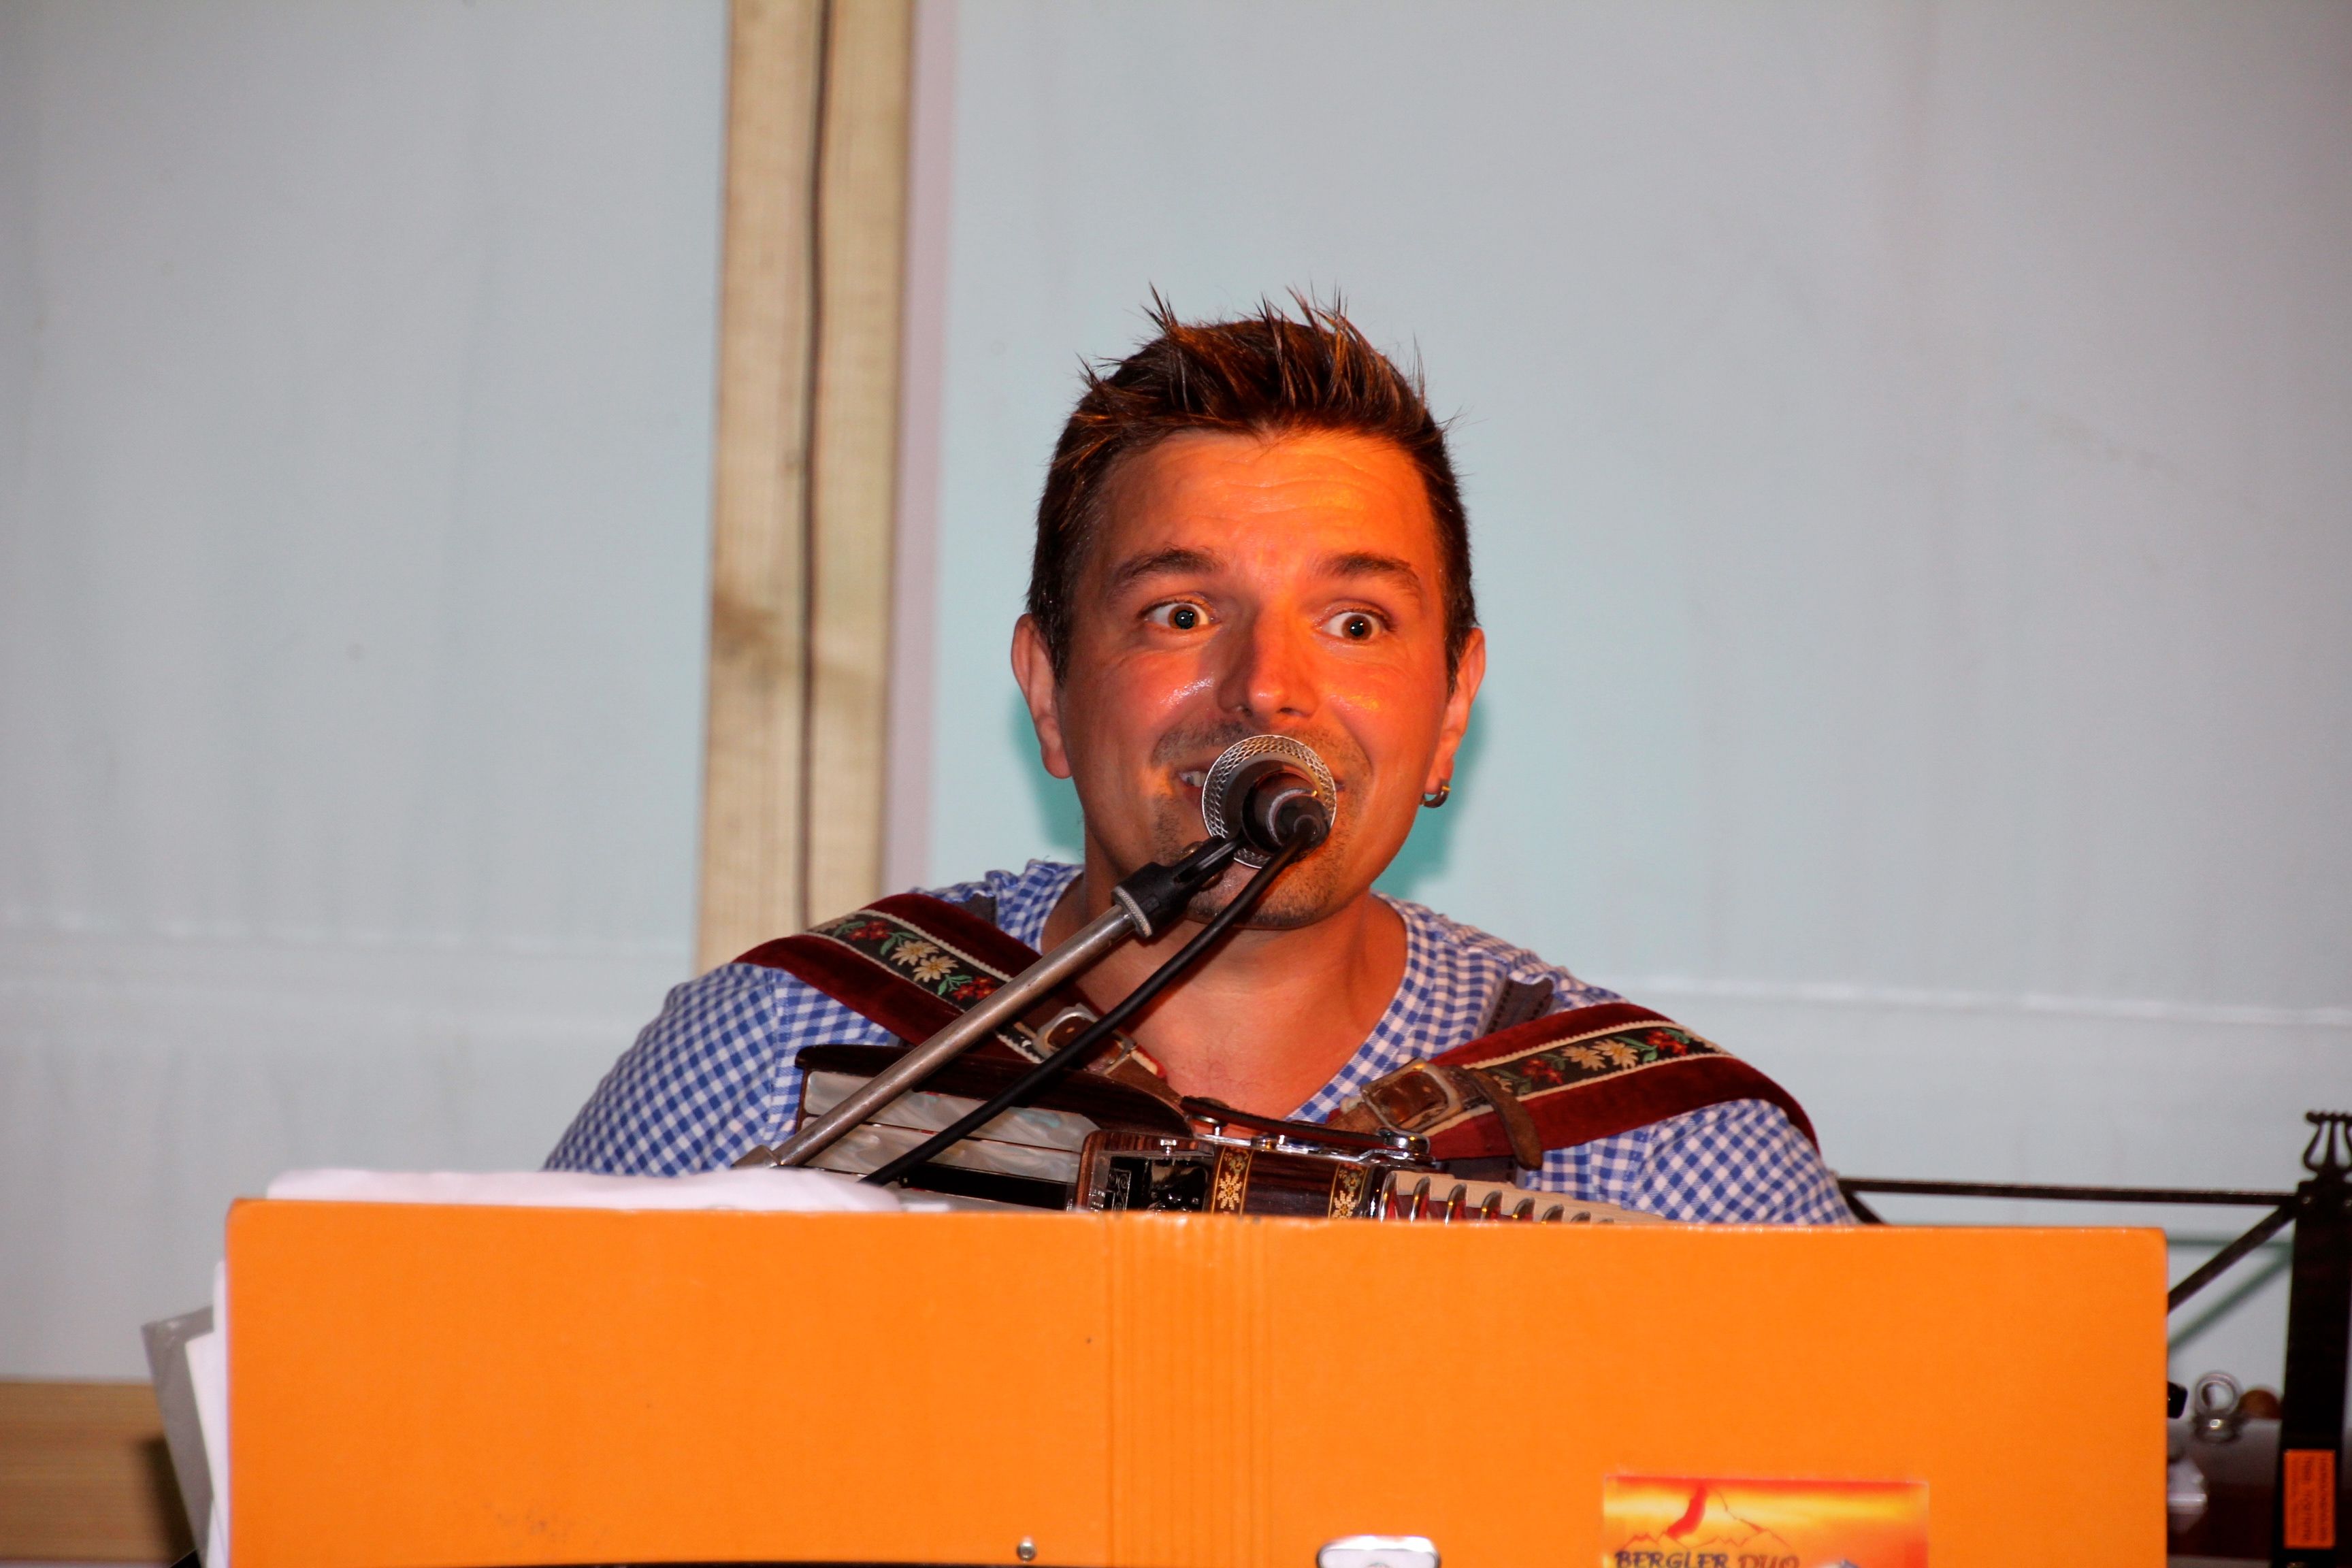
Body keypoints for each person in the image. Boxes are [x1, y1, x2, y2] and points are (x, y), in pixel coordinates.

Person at [549, 297, 1850, 1224]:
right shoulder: (786, 1057)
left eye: (1356, 624)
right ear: (1050, 693)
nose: (1267, 687)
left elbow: (1837, 1509)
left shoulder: (1675, 1157)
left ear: (1452, 708)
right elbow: (504, 1436)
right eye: (1180, 612)